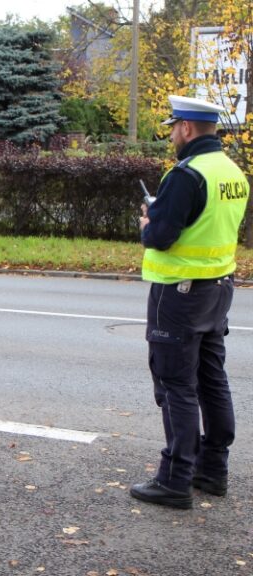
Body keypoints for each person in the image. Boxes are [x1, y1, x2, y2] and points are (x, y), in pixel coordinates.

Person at [130, 95, 250, 509]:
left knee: (175, 384)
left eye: (172, 128)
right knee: (212, 379)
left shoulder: (186, 174)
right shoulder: (233, 172)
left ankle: (174, 479)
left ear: (185, 128)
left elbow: (162, 236)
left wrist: (149, 222)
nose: (171, 137)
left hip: (179, 292)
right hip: (218, 289)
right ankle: (212, 470)